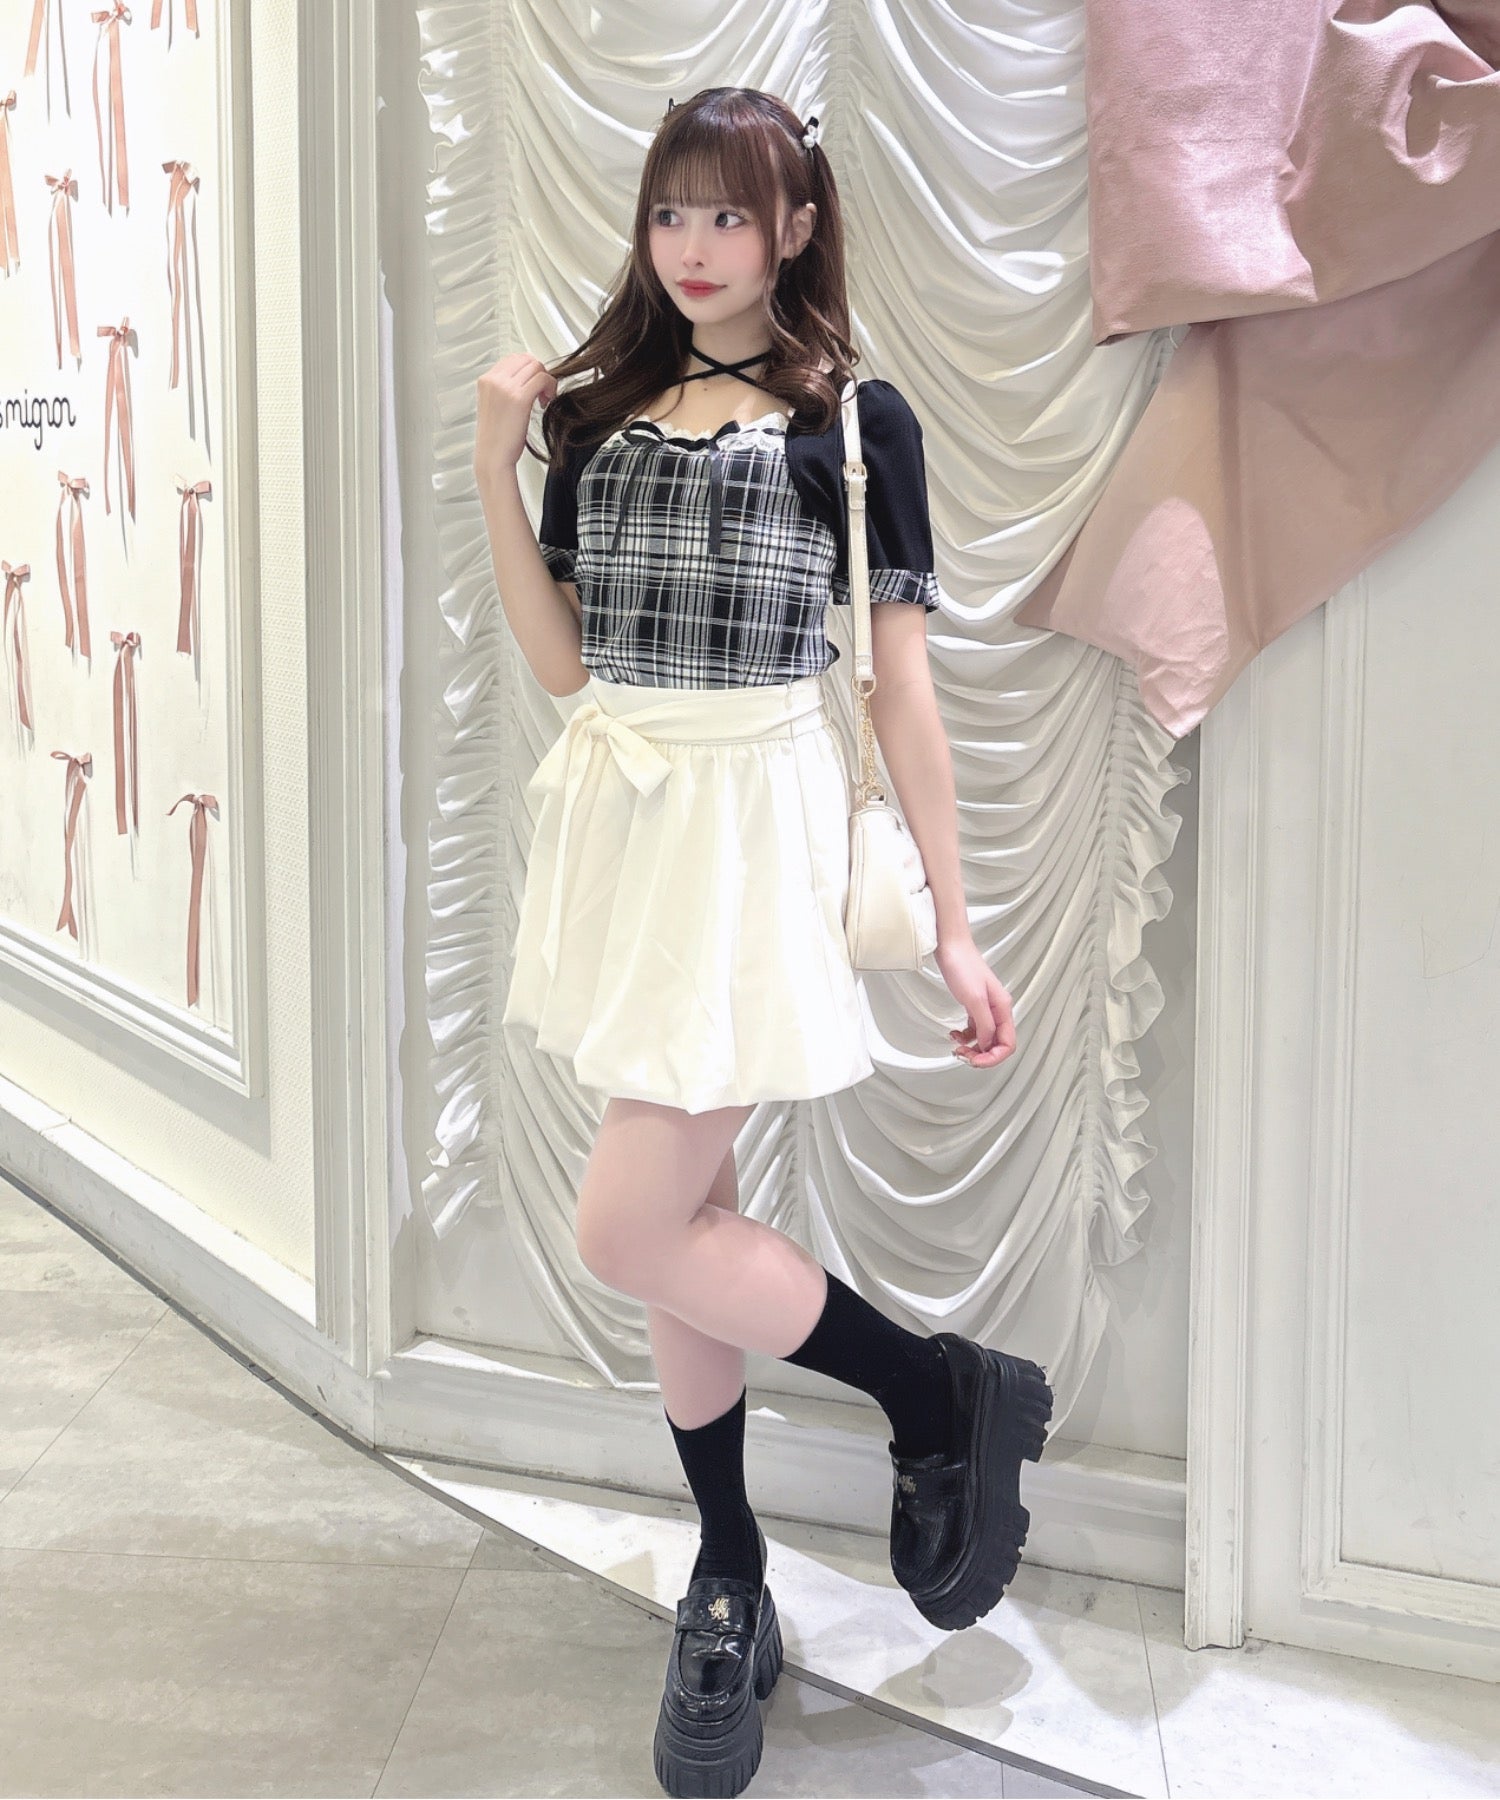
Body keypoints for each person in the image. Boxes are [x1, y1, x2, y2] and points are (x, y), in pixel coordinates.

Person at [473, 86, 1053, 1800]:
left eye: (731, 214)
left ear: (796, 227)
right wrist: (492, 467)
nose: (696, 246)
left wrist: (958, 928)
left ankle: (934, 1394)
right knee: (681, 1225)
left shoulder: (853, 424)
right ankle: (730, 1572)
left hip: (756, 834)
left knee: (627, 1223)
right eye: (672, 212)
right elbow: (564, 665)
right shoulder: (592, 415)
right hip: (626, 822)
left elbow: (902, 695)